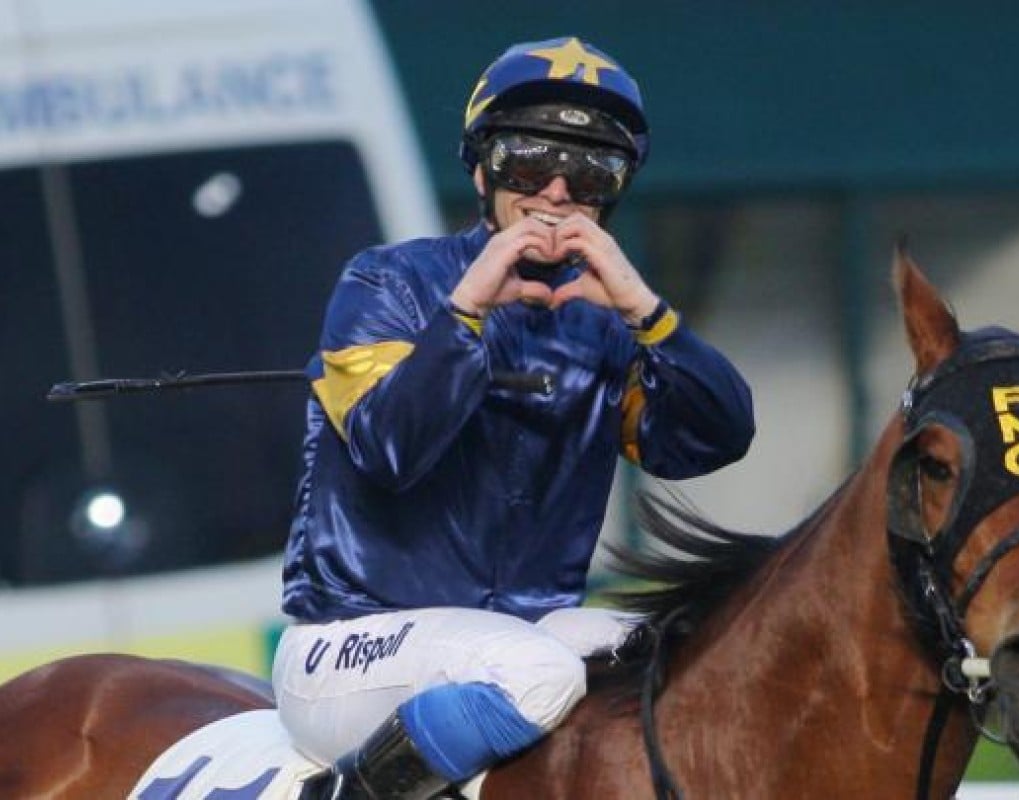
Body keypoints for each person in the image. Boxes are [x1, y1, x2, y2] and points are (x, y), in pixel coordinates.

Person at [273, 35, 755, 800]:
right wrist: (465, 313)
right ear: (481, 170)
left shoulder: (605, 322)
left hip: (524, 634)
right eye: (530, 164)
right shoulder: (385, 282)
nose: (558, 192)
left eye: (592, 172)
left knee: (697, 654)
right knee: (538, 672)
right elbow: (389, 451)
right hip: (348, 647)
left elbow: (718, 439)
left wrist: (648, 314)